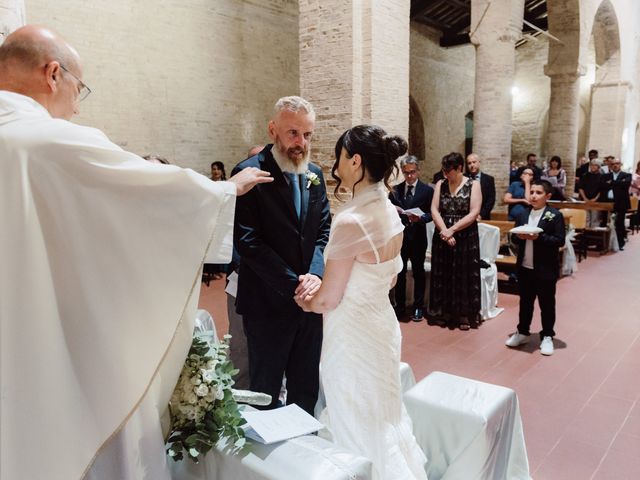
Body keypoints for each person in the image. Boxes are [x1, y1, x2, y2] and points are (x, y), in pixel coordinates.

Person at [0, 25, 271, 480]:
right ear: (52, 74)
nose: (77, 103)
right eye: (78, 86)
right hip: (60, 352)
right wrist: (226, 190)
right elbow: (152, 197)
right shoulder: (49, 141)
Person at [295, 125, 427, 480]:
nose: (336, 165)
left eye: (339, 156)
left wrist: (306, 299)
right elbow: (391, 276)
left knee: (353, 417)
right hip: (381, 327)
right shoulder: (390, 211)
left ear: (355, 161)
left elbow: (328, 300)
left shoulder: (351, 221)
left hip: (352, 336)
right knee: (382, 415)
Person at [232, 96, 331, 415]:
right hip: (267, 304)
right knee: (265, 392)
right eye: (293, 133)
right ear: (272, 129)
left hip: (309, 304)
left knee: (305, 388)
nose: (301, 142)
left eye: (307, 135)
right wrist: (294, 285)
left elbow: (323, 229)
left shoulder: (315, 174)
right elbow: (248, 241)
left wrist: (315, 276)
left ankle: (303, 455)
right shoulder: (248, 173)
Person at [505, 180, 565, 356]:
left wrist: (538, 238)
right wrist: (520, 237)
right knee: (525, 303)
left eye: (538, 193)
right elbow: (514, 238)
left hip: (545, 268)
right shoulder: (523, 214)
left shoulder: (554, 215)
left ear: (548, 196)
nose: (533, 196)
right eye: (532, 192)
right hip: (525, 267)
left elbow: (559, 240)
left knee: (546, 304)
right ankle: (522, 332)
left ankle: (547, 335)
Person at [428, 152, 482, 330]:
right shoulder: (440, 184)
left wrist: (452, 230)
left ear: (460, 168)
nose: (446, 175)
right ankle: (443, 311)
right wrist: (444, 230)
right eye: (444, 170)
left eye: (449, 171)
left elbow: (473, 212)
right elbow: (434, 210)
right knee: (443, 272)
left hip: (465, 235)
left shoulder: (474, 185)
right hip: (443, 234)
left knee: (463, 272)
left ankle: (464, 313)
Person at [389, 155, 434, 322]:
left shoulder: (427, 190)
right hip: (401, 238)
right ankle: (399, 306)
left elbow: (432, 214)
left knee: (418, 272)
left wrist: (421, 218)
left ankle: (418, 307)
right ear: (402, 172)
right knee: (400, 272)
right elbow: (389, 211)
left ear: (418, 171)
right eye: (406, 173)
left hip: (418, 237)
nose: (409, 176)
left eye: (412, 172)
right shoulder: (395, 190)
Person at [601, 157, 632, 250]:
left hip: (621, 203)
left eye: (617, 163)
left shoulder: (627, 175)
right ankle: (605, 244)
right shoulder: (606, 176)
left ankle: (620, 243)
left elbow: (625, 185)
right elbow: (602, 185)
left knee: (619, 223)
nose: (615, 165)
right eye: (613, 164)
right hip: (608, 203)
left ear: (620, 165)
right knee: (605, 222)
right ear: (610, 165)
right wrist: (618, 183)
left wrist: (612, 183)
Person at [466, 153, 496, 219]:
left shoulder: (489, 179)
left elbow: (491, 200)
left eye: (474, 162)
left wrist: (481, 215)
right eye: (469, 163)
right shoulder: (464, 178)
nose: (472, 165)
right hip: (465, 216)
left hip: (482, 217)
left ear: (479, 162)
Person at [578, 159, 604, 228]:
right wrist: (585, 198)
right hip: (585, 200)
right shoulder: (585, 175)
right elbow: (580, 188)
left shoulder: (602, 177)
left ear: (598, 167)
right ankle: (586, 235)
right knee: (586, 219)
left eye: (595, 165)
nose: (593, 167)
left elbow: (602, 190)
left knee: (595, 219)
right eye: (591, 165)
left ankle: (594, 236)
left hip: (596, 201)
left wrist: (595, 199)